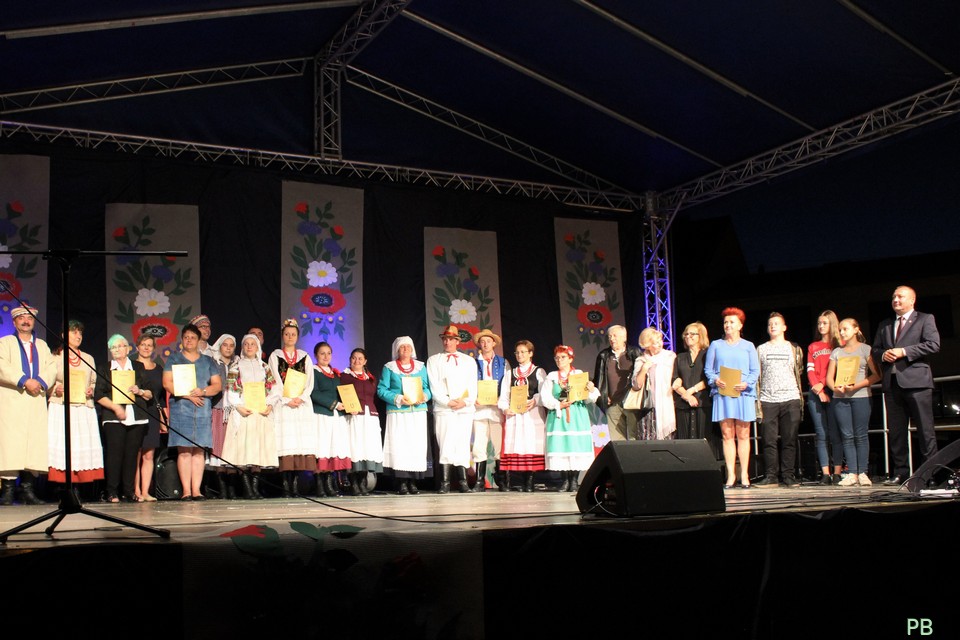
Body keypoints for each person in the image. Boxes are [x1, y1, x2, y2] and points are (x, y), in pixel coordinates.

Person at [871, 286, 940, 485]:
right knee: (897, 432)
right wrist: (883, 355)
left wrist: (904, 351)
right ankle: (901, 472)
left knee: (925, 431)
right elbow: (875, 349)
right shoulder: (885, 324)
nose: (896, 300)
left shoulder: (925, 319)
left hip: (917, 382)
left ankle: (930, 474)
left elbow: (933, 344)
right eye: (894, 297)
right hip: (892, 383)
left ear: (912, 300)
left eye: (900, 296)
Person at [0, 305, 56, 505]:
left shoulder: (41, 345)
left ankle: (27, 489)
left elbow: (51, 367)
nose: (26, 321)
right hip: (13, 399)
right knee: (10, 444)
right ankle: (7, 490)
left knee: (33, 443)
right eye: (22, 318)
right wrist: (25, 380)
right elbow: (1, 365)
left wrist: (39, 382)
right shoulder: (5, 342)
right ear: (14, 322)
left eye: (30, 318)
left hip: (34, 400)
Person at [163, 323, 222, 501]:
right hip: (181, 409)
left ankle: (196, 490)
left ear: (198, 340)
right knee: (184, 451)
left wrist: (202, 391)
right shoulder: (174, 358)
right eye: (186, 337)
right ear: (182, 339)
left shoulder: (208, 361)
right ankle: (186, 491)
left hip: (202, 410)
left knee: (198, 451)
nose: (189, 340)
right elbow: (167, 383)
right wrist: (188, 395)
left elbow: (217, 385)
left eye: (193, 338)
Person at [47, 320, 103, 501]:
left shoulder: (88, 358)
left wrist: (91, 390)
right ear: (64, 335)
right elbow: (47, 381)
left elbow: (94, 381)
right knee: (63, 446)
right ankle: (61, 488)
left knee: (79, 446)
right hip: (61, 407)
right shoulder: (54, 357)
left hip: (82, 407)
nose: (78, 336)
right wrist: (55, 388)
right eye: (74, 332)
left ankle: (76, 487)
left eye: (80, 333)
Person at [705, 307, 760, 489]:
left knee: (743, 434)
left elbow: (755, 371)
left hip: (743, 393)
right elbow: (708, 370)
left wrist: (746, 383)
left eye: (731, 322)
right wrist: (715, 380)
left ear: (740, 325)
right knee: (727, 434)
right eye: (725, 322)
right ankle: (731, 475)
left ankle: (744, 474)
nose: (728, 325)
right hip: (723, 394)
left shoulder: (748, 346)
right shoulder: (716, 345)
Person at [96, 334, 153, 502]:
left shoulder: (138, 367)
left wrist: (139, 391)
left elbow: (149, 393)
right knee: (114, 454)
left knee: (131, 454)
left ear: (127, 349)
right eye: (113, 347)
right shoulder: (105, 368)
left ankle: (129, 491)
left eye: (120, 346)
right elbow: (98, 394)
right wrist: (116, 408)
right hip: (113, 417)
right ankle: (112, 491)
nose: (116, 350)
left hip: (136, 416)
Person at [222, 334, 279, 499]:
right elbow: (231, 388)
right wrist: (239, 407)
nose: (249, 347)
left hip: (260, 412)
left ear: (257, 347)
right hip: (244, 412)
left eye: (252, 344)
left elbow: (273, 388)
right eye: (246, 344)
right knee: (244, 452)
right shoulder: (236, 366)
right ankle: (247, 489)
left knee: (258, 451)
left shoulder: (264, 367)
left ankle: (255, 488)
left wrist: (269, 405)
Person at [827, 318, 881, 487]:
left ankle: (863, 472)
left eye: (846, 329)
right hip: (840, 399)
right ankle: (852, 473)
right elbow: (829, 378)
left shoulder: (865, 349)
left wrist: (856, 386)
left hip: (861, 396)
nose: (842, 332)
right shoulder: (837, 352)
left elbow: (876, 375)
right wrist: (835, 388)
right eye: (840, 330)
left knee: (861, 434)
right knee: (847, 435)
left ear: (856, 329)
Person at [377, 336, 433, 495]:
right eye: (402, 347)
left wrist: (424, 396)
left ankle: (413, 482)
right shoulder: (390, 367)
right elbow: (381, 390)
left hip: (417, 412)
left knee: (415, 446)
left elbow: (427, 388)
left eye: (408, 347)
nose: (406, 349)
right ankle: (401, 482)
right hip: (398, 412)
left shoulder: (420, 367)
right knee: (400, 446)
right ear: (397, 350)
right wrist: (398, 398)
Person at [268, 319, 317, 497]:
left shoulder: (304, 356)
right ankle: (285, 484)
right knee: (286, 443)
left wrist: (301, 398)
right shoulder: (275, 356)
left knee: (299, 443)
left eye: (293, 334)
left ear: (297, 336)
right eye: (287, 334)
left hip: (301, 405)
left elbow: (310, 381)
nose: (290, 337)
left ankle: (296, 484)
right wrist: (286, 399)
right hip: (284, 405)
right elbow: (274, 379)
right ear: (282, 336)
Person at [754, 313, 804, 487]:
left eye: (776, 323)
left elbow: (799, 370)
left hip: (790, 398)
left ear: (784, 327)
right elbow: (757, 373)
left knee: (789, 439)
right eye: (770, 324)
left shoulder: (794, 348)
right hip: (768, 399)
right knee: (769, 440)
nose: (773, 326)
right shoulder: (761, 349)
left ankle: (788, 475)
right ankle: (771, 476)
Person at [426, 325, 478, 493]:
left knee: (462, 443)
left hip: (464, 409)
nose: (447, 342)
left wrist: (465, 402)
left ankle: (463, 482)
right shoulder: (434, 360)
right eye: (445, 339)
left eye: (450, 339)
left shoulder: (468, 361)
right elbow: (434, 385)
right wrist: (447, 402)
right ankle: (445, 483)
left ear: (457, 341)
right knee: (445, 442)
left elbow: (473, 385)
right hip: (444, 409)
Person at [541, 345, 599, 492]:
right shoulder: (552, 377)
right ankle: (565, 480)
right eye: (557, 358)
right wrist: (558, 404)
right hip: (559, 414)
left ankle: (574, 481)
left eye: (563, 357)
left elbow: (590, 398)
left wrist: (591, 389)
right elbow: (545, 397)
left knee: (575, 446)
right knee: (562, 446)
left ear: (570, 359)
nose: (559, 360)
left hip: (576, 414)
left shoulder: (578, 375)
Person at [497, 340, 547, 492]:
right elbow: (504, 396)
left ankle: (530, 481)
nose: (519, 355)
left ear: (530, 353)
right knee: (519, 445)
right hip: (516, 416)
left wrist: (535, 400)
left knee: (530, 444)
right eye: (517, 352)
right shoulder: (510, 374)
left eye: (523, 352)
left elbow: (544, 392)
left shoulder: (539, 372)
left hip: (532, 414)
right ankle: (520, 481)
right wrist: (505, 409)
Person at [339, 348, 383, 496]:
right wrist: (348, 408)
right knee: (355, 447)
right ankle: (354, 483)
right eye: (354, 358)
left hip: (370, 417)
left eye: (360, 358)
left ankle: (363, 482)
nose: (356, 361)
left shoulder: (370, 378)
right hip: (354, 416)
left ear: (365, 361)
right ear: (350, 359)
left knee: (367, 448)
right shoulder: (345, 376)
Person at [807, 311, 843, 485]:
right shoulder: (813, 346)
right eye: (819, 323)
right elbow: (810, 370)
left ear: (832, 324)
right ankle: (825, 473)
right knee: (821, 434)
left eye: (825, 323)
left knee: (836, 433)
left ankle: (837, 472)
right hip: (815, 393)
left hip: (834, 390)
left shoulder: (840, 345)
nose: (821, 326)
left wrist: (823, 384)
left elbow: (837, 370)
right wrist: (818, 389)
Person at [311, 341, 351, 497]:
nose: (326, 356)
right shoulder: (313, 371)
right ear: (316, 355)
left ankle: (329, 484)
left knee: (332, 449)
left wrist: (349, 405)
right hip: (322, 415)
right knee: (322, 448)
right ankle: (319, 486)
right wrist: (334, 404)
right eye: (322, 353)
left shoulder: (335, 374)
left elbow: (343, 393)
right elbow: (313, 393)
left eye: (328, 353)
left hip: (336, 416)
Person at [471, 329, 509, 492]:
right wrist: (473, 398)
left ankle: (502, 479)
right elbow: (468, 383)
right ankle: (479, 481)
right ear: (479, 344)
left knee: (499, 445)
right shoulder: (473, 363)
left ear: (494, 343)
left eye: (488, 341)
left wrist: (501, 400)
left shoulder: (503, 362)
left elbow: (507, 384)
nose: (485, 344)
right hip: (479, 409)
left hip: (496, 409)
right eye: (482, 341)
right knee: (479, 445)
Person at [593, 325, 643, 440]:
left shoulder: (634, 352)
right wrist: (603, 396)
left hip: (632, 402)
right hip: (613, 403)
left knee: (634, 438)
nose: (612, 339)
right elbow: (598, 379)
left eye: (615, 336)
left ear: (624, 337)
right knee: (617, 442)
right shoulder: (603, 355)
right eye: (610, 336)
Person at [133, 333, 166, 501]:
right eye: (143, 344)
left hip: (152, 412)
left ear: (154, 349)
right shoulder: (131, 366)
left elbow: (161, 397)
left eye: (149, 345)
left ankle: (146, 492)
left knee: (149, 455)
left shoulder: (159, 369)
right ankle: (136, 491)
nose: (146, 348)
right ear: (137, 346)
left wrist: (163, 418)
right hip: (135, 411)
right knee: (136, 454)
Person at [672, 322, 714, 450]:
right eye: (686, 334)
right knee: (685, 445)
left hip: (703, 403)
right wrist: (686, 395)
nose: (688, 336)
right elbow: (675, 380)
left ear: (701, 336)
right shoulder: (680, 357)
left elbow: (710, 378)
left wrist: (691, 391)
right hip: (683, 404)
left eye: (692, 334)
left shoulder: (708, 355)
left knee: (704, 443)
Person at [631, 327, 677, 440]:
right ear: (647, 345)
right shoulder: (641, 360)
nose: (660, 344)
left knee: (669, 441)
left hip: (668, 404)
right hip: (649, 407)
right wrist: (644, 369)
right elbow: (636, 385)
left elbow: (677, 377)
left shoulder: (670, 357)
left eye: (660, 340)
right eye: (655, 343)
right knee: (649, 440)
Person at [209, 334, 238, 498]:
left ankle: (232, 487)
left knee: (232, 449)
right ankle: (222, 488)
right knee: (219, 448)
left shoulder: (237, 364)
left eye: (231, 345)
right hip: (218, 408)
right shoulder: (213, 363)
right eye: (225, 345)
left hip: (234, 411)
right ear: (220, 346)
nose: (228, 348)